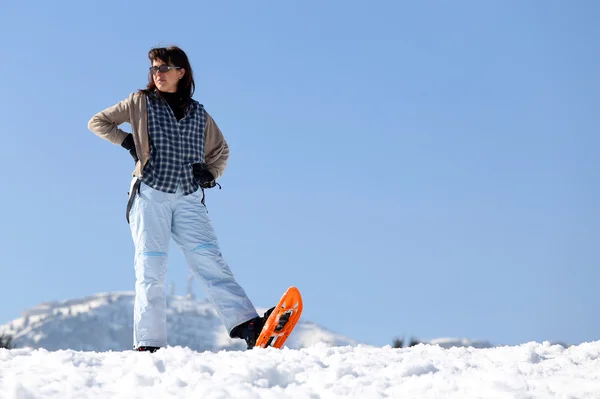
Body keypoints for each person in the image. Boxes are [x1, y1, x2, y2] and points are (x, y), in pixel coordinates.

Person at [88, 45, 268, 352]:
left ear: (180, 72)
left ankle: (246, 324)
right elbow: (99, 121)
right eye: (153, 69)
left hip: (187, 198)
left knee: (209, 259)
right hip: (151, 194)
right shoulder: (140, 103)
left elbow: (221, 150)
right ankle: (149, 343)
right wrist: (127, 140)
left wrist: (210, 174)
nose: (156, 74)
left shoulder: (198, 113)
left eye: (162, 68)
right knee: (151, 267)